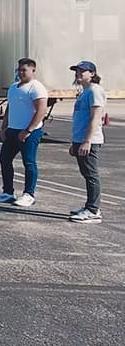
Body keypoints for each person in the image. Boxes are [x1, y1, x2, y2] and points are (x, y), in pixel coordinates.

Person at [0, 57, 48, 206]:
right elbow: (10, 107)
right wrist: (4, 127)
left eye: (24, 70)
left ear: (33, 71)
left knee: (29, 162)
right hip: (12, 131)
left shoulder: (36, 87)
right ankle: (8, 192)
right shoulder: (14, 87)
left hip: (29, 132)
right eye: (19, 70)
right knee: (4, 159)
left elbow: (41, 111)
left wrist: (28, 130)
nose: (21, 73)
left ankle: (29, 194)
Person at [68, 61, 106, 224]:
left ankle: (93, 210)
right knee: (86, 174)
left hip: (89, 140)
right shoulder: (85, 92)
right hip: (80, 139)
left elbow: (95, 118)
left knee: (91, 175)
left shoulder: (95, 91)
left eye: (82, 71)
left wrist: (87, 141)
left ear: (92, 73)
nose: (78, 73)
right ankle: (90, 206)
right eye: (77, 71)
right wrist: (75, 142)